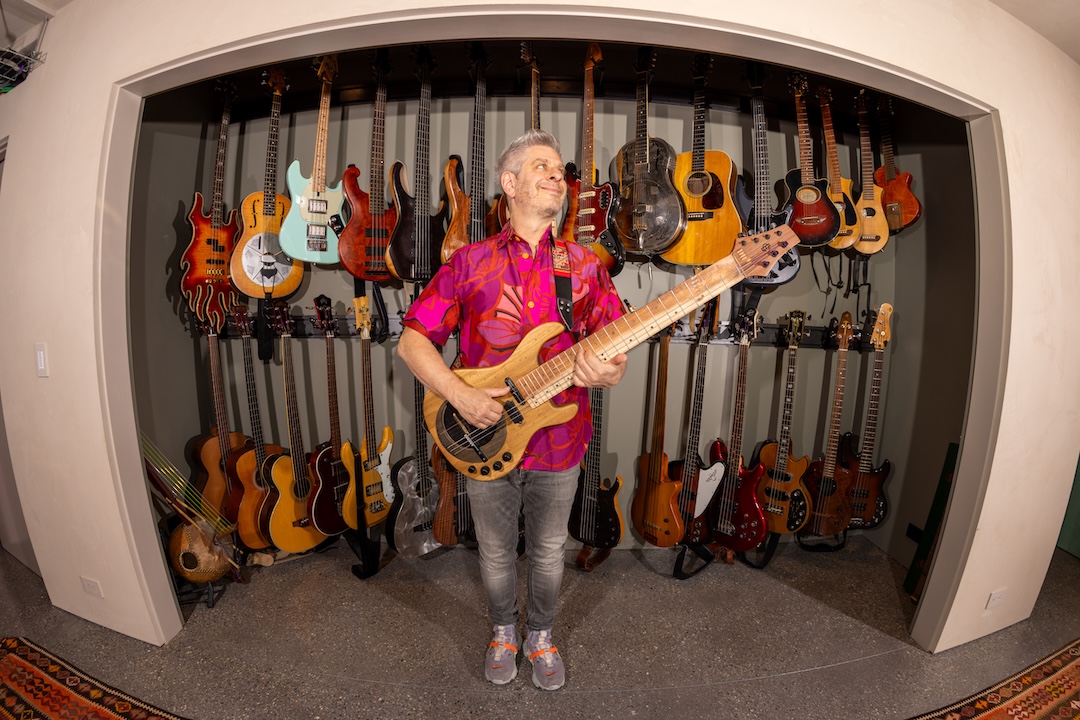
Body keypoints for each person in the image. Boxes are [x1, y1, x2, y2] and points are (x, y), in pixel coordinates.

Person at [396, 129, 628, 690]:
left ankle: (540, 637)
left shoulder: (585, 266)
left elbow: (614, 350)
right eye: (541, 167)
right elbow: (412, 341)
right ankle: (503, 630)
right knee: (497, 553)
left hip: (559, 437)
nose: (557, 175)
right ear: (510, 183)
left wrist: (609, 369)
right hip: (485, 433)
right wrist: (459, 393)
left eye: (559, 170)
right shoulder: (469, 262)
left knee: (549, 552)